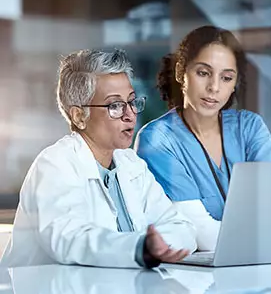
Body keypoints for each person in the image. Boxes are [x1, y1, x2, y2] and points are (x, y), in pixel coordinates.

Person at [0, 49, 197, 269]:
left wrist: (157, 247)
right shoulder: (55, 164)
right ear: (79, 116)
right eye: (114, 105)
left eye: (132, 101)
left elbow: (182, 228)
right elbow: (69, 239)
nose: (130, 114)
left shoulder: (131, 164)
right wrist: (140, 248)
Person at [134, 25, 271, 251]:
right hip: (193, 277)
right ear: (181, 71)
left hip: (254, 263)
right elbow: (203, 236)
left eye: (227, 78)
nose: (214, 87)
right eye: (203, 73)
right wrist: (266, 238)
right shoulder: (158, 140)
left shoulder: (249, 127)